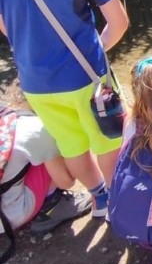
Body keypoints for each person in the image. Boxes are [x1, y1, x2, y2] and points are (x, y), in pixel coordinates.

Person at [0, 0, 130, 218]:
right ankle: (117, 202)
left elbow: (6, 26)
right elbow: (119, 23)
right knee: (107, 140)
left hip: (36, 84)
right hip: (85, 76)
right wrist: (98, 49)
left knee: (70, 143)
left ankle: (98, 197)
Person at [1, 79, 91, 238]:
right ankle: (51, 207)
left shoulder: (7, 116)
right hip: (9, 216)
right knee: (62, 146)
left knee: (34, 156)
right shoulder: (36, 128)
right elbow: (67, 181)